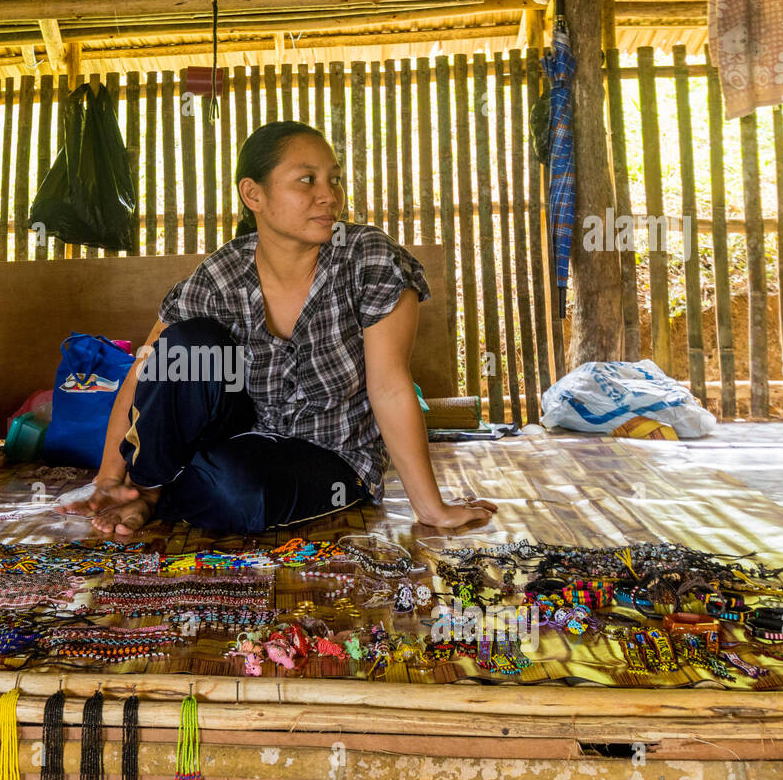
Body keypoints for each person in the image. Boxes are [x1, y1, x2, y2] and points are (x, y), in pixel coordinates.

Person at [62, 120, 497, 537]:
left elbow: (389, 386)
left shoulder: (368, 260)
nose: (329, 196)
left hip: (331, 456)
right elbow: (148, 370)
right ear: (253, 194)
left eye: (335, 179)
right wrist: (108, 479)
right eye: (307, 180)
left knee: (239, 490)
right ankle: (148, 488)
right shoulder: (222, 274)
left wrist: (430, 508)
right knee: (186, 345)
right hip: (236, 435)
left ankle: (160, 496)